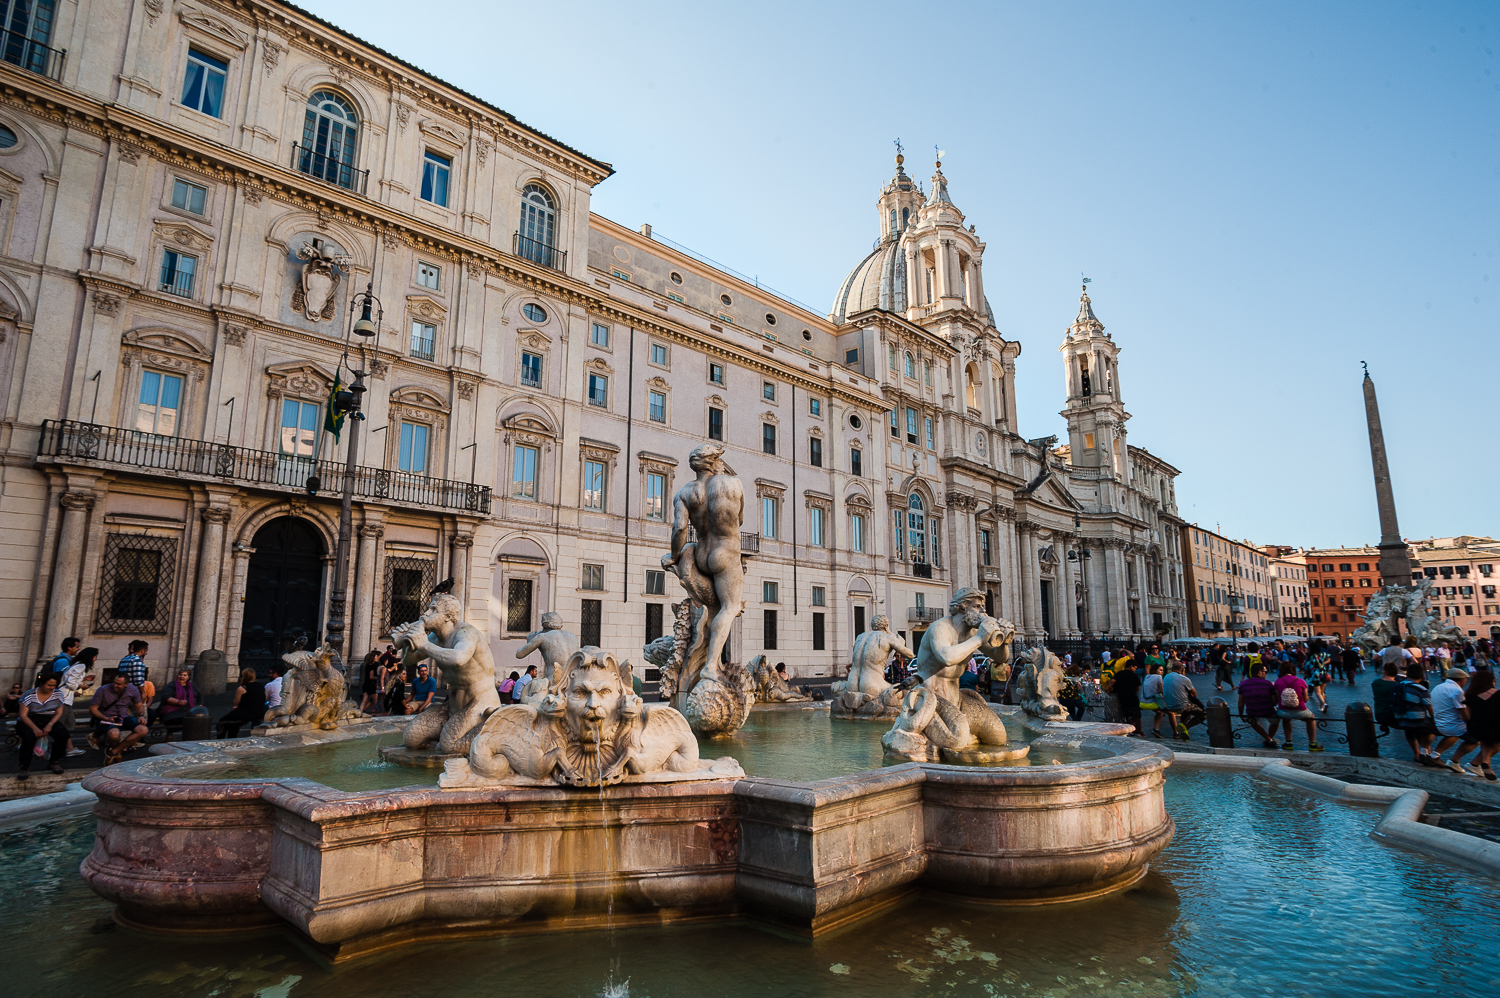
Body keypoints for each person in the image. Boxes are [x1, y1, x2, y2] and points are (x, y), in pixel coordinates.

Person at [16, 673, 69, 779]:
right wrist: (35, 728)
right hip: (29, 720)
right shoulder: (29, 695)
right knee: (29, 738)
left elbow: (58, 712)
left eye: (54, 685)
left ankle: (53, 761)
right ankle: (24, 766)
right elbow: (23, 715)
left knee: (63, 735)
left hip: (48, 719)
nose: (52, 688)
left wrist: (50, 725)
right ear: (42, 683)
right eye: (49, 685)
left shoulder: (58, 694)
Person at [89, 673, 148, 764]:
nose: (115, 685)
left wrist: (141, 715)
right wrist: (106, 718)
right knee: (114, 734)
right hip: (106, 717)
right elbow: (93, 709)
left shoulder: (133, 690)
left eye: (118, 684)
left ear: (126, 684)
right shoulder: (103, 690)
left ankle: (113, 751)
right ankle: (118, 752)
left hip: (123, 717)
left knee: (143, 730)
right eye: (114, 682)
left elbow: (139, 705)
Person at [1430, 668, 1477, 775]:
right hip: (1452, 725)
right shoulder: (1457, 691)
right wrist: (1471, 723)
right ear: (1461, 680)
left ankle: (1434, 755)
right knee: (1477, 738)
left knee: (1454, 734)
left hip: (1439, 722)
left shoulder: (1438, 687)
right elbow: (1463, 712)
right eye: (1465, 680)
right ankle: (1455, 761)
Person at [1391, 661, 1439, 766]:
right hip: (1417, 718)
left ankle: (1416, 753)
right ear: (1422, 676)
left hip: (1400, 717)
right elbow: (1429, 707)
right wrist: (1434, 718)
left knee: (1410, 729)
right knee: (1432, 729)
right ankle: (1426, 751)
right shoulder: (1421, 689)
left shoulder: (1399, 685)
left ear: (1407, 675)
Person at [1272, 664, 1322, 752]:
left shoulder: (1278, 682)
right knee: (1311, 719)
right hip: (1300, 710)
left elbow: (1277, 698)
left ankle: (1288, 742)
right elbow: (1306, 699)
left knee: (1286, 720)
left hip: (1283, 711)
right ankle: (1312, 743)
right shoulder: (1301, 681)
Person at [1462, 669, 1499, 781]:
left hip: (1475, 728)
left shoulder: (1470, 697)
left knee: (1486, 739)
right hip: (1495, 729)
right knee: (1495, 743)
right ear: (1491, 681)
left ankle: (1482, 762)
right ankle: (1480, 762)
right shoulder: (1498, 694)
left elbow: (1468, 716)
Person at [1237, 661, 1280, 748]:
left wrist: (1241, 714)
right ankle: (1270, 739)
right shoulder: (1268, 684)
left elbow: (1240, 703)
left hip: (1252, 712)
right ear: (1260, 672)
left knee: (1253, 722)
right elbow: (1274, 702)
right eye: (1265, 672)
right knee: (1275, 721)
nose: (1266, 674)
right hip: (1268, 711)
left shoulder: (1243, 684)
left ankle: (1269, 739)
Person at [217, 668, 266, 738]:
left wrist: (238, 705)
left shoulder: (242, 688)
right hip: (259, 713)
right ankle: (232, 738)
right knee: (233, 725)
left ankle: (220, 740)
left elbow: (236, 703)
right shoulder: (260, 686)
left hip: (246, 713)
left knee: (222, 722)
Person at [157, 668, 200, 737]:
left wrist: (200, 706)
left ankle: (188, 739)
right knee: (178, 721)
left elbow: (199, 695)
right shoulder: (171, 685)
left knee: (198, 719)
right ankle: (170, 736)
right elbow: (165, 697)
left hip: (188, 710)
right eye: (180, 674)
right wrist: (178, 702)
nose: (182, 676)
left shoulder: (192, 686)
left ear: (188, 677)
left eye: (184, 675)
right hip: (172, 710)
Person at [1162, 660, 1196, 740]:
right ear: (1182, 669)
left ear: (1173, 668)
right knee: (1203, 714)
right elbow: (1195, 694)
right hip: (1181, 705)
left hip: (1168, 704)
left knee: (1186, 712)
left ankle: (1178, 730)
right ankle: (1183, 727)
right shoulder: (1185, 679)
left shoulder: (1166, 677)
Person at [1112, 654, 1143, 736]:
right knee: (1137, 715)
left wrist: (1107, 689)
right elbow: (1138, 687)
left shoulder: (1119, 673)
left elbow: (1113, 681)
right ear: (1132, 666)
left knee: (1128, 714)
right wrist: (1135, 692)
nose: (1135, 670)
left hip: (1123, 697)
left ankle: (1131, 730)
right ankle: (1139, 731)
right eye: (1135, 668)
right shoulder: (1134, 675)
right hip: (1132, 697)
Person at [1370, 660, 1403, 734]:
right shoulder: (1397, 685)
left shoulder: (1376, 682)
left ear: (1384, 671)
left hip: (1379, 714)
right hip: (1393, 715)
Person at [1139, 661, 1166, 737]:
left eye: (1162, 670)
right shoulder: (1159, 677)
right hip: (1151, 704)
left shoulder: (1147, 676)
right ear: (1155, 670)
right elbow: (1162, 691)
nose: (1162, 672)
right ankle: (1156, 729)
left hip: (1142, 703)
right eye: (1160, 670)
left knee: (1159, 712)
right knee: (1162, 712)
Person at [1305, 641, 1332, 713]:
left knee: (1317, 692)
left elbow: (1306, 665)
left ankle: (1324, 704)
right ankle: (1321, 707)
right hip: (1323, 673)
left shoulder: (1310, 655)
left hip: (1315, 674)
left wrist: (1305, 673)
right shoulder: (1323, 654)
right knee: (1322, 692)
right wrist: (1323, 663)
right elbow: (1329, 659)